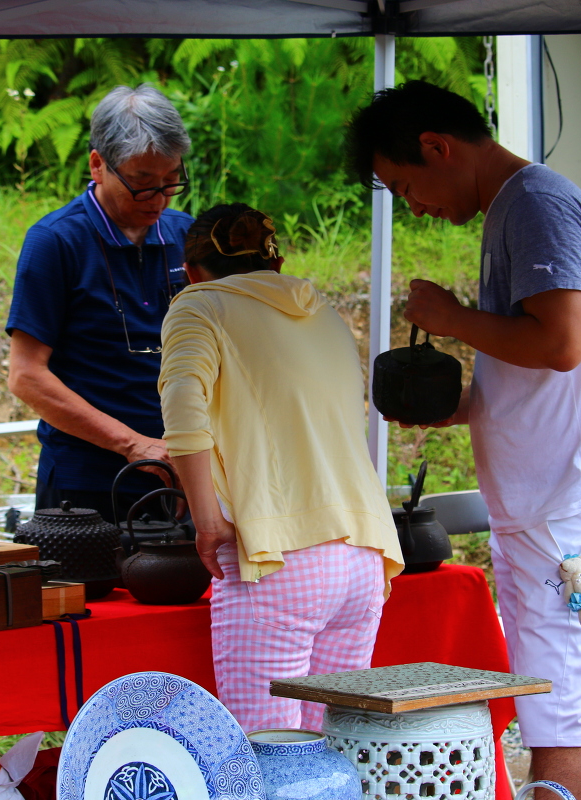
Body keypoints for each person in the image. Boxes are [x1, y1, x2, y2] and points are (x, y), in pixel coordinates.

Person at [347, 81, 581, 800]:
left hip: (570, 518)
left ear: (436, 147)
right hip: (552, 514)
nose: (413, 205)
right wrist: (461, 408)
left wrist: (451, 318)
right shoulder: (515, 209)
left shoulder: (535, 203)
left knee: (558, 726)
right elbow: (540, 368)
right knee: (565, 713)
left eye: (404, 185)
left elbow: (562, 341)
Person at [159, 203, 403, 733]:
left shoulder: (199, 305)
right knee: (333, 754)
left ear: (192, 272)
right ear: (275, 262)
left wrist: (206, 522)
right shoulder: (324, 313)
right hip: (363, 554)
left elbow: (183, 406)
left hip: (281, 559)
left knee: (268, 757)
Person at [6, 84, 193, 522]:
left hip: (181, 476)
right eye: (142, 184)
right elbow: (26, 375)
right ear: (97, 165)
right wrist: (132, 444)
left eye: (170, 181)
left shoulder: (188, 238)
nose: (159, 200)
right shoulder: (56, 242)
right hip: (85, 483)